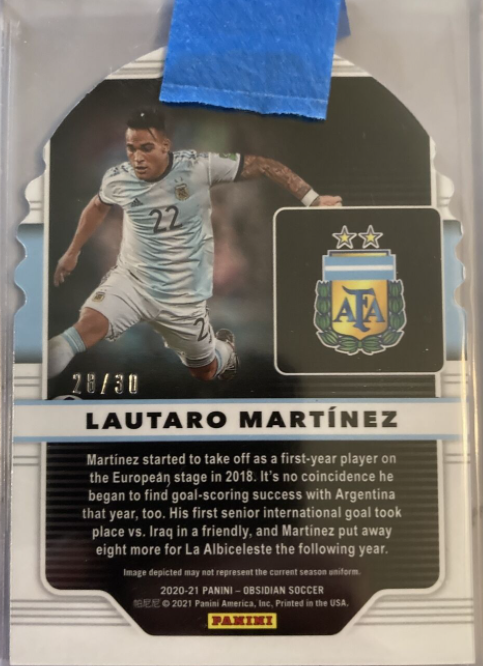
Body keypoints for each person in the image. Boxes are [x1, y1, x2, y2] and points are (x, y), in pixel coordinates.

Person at [49, 106, 342, 382]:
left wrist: (312, 199)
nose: (138, 157)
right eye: (132, 149)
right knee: (80, 333)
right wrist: (72, 252)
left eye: (146, 148)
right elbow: (96, 208)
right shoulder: (118, 179)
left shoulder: (200, 170)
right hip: (134, 283)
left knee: (204, 371)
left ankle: (222, 350)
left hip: (183, 297)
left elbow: (264, 167)